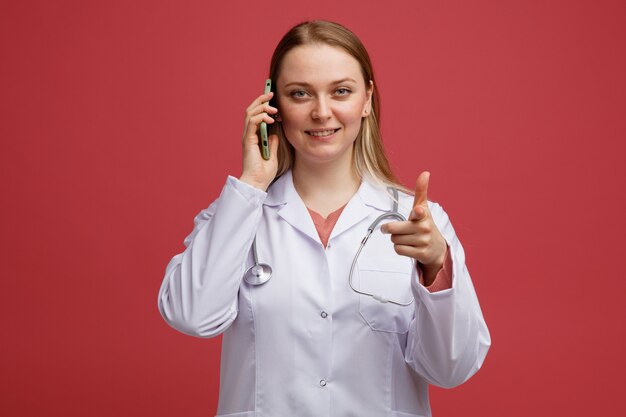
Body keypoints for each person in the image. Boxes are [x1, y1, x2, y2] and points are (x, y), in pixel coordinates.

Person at [158, 20, 490, 417]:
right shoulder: (238, 214)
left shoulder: (419, 223)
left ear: (366, 98)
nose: (321, 112)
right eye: (300, 94)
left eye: (341, 91)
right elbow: (191, 316)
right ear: (273, 105)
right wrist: (251, 184)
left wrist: (436, 265)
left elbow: (452, 369)